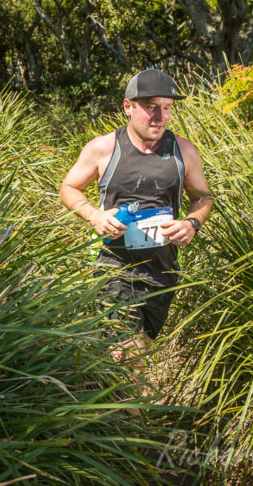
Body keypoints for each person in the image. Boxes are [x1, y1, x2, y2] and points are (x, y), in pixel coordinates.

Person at [59, 69, 213, 365]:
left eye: (167, 108)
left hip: (163, 269)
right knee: (127, 353)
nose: (161, 116)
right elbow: (69, 187)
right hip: (114, 263)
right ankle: (129, 409)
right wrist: (94, 215)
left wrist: (191, 223)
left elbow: (203, 197)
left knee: (141, 350)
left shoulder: (184, 151)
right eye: (151, 107)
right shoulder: (103, 148)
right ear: (128, 107)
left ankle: (121, 407)